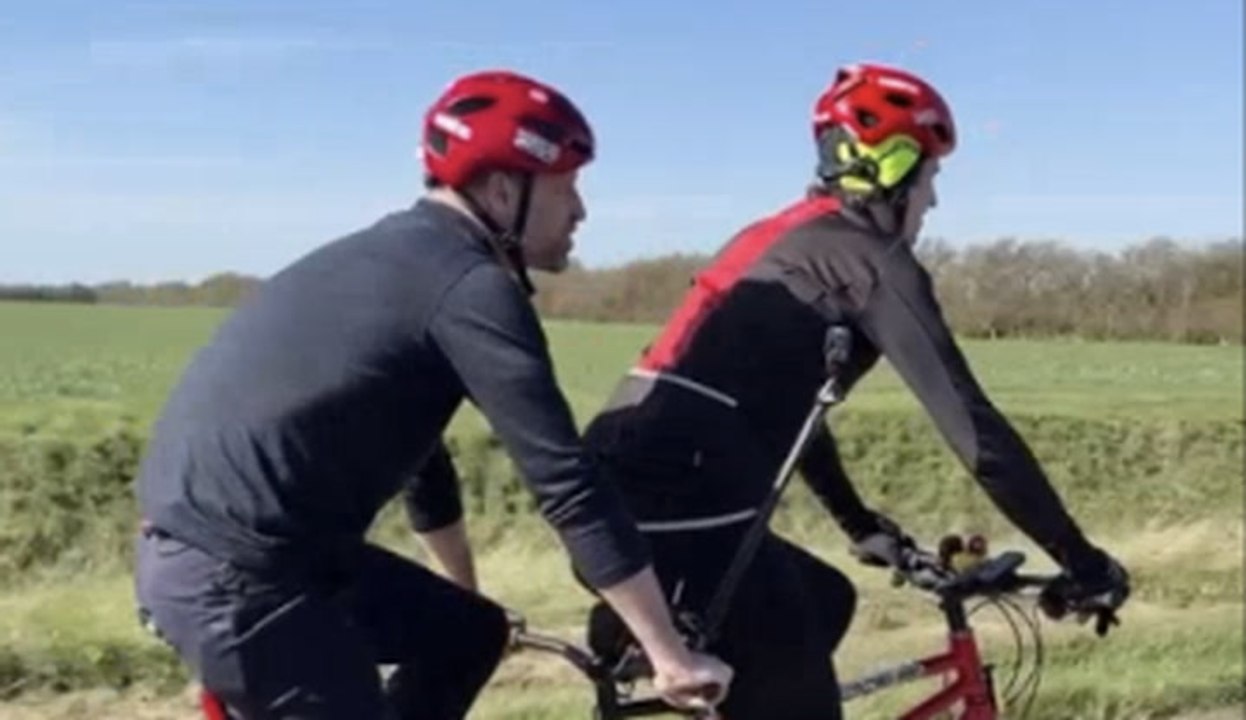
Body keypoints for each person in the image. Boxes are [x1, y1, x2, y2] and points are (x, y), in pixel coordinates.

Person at [132, 69, 732, 720]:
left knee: (467, 635)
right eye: (567, 186)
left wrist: (462, 598)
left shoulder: (398, 259)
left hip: (244, 557)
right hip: (242, 579)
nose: (580, 211)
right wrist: (670, 655)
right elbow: (567, 483)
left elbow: (422, 463)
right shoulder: (470, 286)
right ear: (504, 190)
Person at [577, 62, 1131, 720]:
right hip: (686, 503)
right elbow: (977, 435)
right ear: (893, 169)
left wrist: (858, 523)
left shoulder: (782, 238)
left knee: (824, 600)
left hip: (630, 495)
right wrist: (1083, 562)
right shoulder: (872, 260)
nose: (932, 202)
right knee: (796, 686)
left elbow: (781, 406)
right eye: (930, 177)